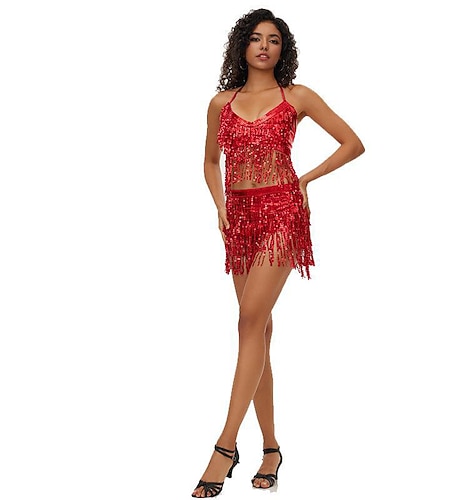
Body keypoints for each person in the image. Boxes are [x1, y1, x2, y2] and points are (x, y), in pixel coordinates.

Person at [192, 8, 365, 498]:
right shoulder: (221, 103)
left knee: (248, 321)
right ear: (242, 47)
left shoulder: (297, 96)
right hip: (239, 220)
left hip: (282, 212)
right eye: (255, 38)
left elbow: (352, 143)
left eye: (273, 39)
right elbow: (210, 161)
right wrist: (220, 205)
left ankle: (224, 446)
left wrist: (306, 179)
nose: (264, 46)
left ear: (282, 49)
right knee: (259, 330)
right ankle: (271, 448)